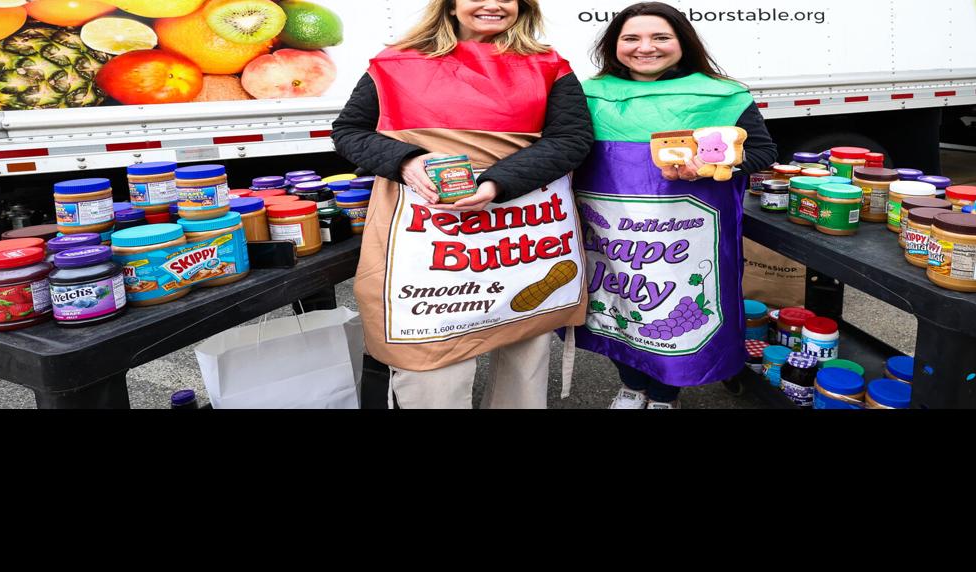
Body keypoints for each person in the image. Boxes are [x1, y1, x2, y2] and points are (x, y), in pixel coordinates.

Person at [332, 0, 593, 409]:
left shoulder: (547, 65)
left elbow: (571, 139)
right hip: (429, 239)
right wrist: (406, 160)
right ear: (451, 6)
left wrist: (495, 184)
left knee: (524, 350)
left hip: (522, 236)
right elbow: (349, 131)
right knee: (429, 363)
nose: (493, 4)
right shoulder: (395, 63)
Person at [572, 2, 779, 409]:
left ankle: (666, 394)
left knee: (676, 310)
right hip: (611, 234)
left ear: (682, 42)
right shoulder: (589, 94)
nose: (645, 47)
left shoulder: (721, 94)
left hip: (685, 240)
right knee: (618, 304)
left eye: (660, 37)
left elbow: (762, 151)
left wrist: (718, 164)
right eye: (631, 38)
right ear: (614, 45)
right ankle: (631, 386)